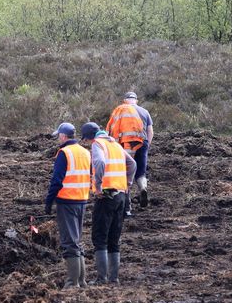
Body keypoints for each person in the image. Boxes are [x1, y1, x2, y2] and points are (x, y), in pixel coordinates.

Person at [83, 123, 136, 284]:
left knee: (100, 237)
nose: (87, 143)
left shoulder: (98, 144)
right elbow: (132, 164)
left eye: (85, 140)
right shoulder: (115, 145)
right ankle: (114, 278)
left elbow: (99, 163)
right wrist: (127, 183)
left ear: (89, 137)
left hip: (106, 196)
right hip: (121, 196)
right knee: (114, 238)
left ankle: (102, 278)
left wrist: (98, 186)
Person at [44, 122, 91, 288]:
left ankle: (72, 283)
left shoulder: (64, 153)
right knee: (77, 240)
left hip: (67, 201)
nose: (58, 138)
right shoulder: (85, 152)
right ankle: (82, 281)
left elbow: (56, 180)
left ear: (63, 136)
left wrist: (49, 201)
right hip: (82, 200)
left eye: (59, 136)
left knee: (69, 242)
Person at [107, 91, 153, 211]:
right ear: (136, 100)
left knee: (126, 172)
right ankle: (143, 188)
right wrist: (146, 145)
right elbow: (150, 131)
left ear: (125, 100)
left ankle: (127, 204)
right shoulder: (144, 111)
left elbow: (112, 129)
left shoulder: (120, 110)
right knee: (141, 171)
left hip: (126, 144)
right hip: (142, 142)